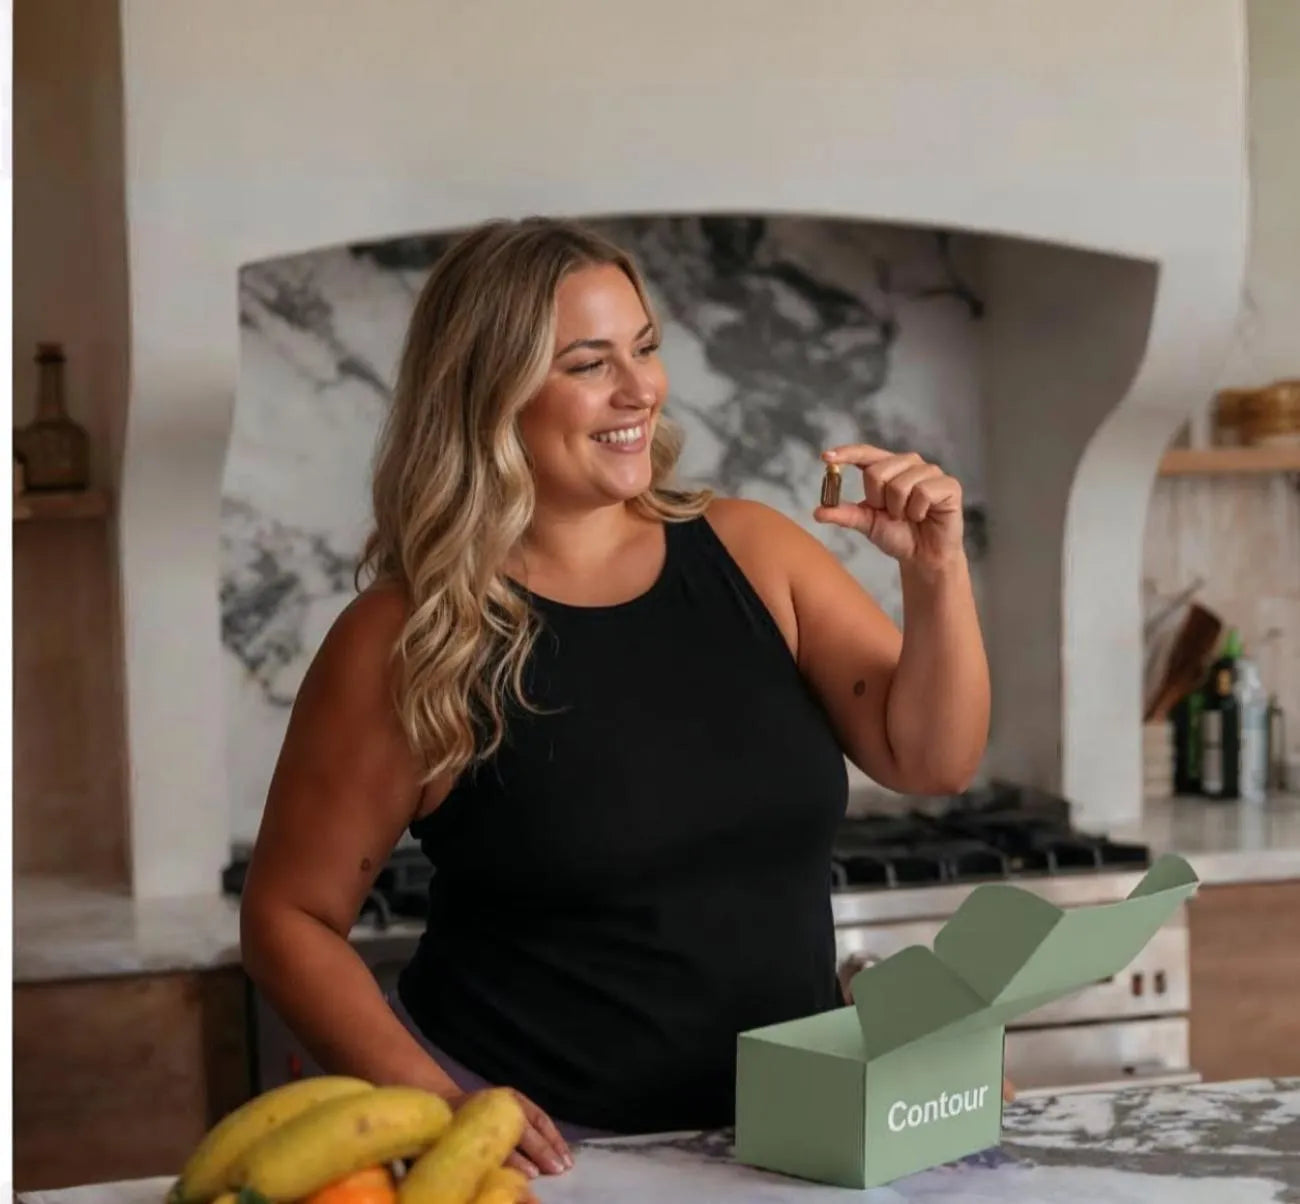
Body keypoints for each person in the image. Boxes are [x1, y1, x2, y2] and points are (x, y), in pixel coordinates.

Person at [239, 217, 991, 1179]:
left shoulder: (754, 554)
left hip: (792, 1136)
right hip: (552, 1162)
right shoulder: (412, 635)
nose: (640, 390)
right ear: (489, 389)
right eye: (589, 364)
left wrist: (937, 572)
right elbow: (289, 918)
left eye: (644, 348)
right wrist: (444, 1108)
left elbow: (932, 759)